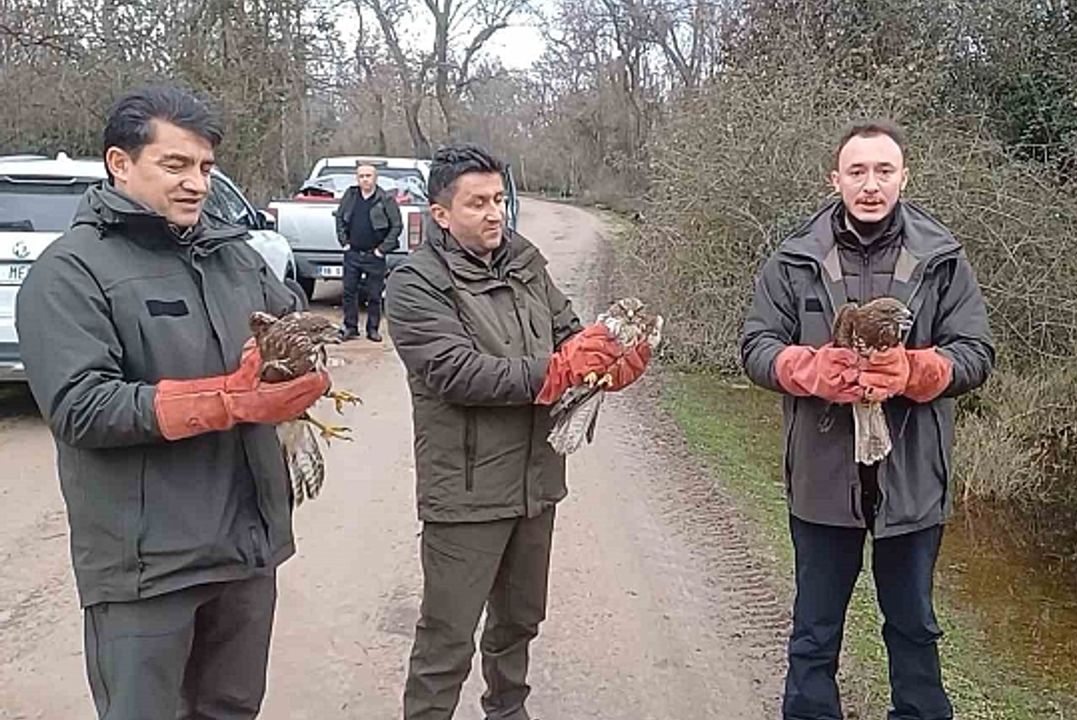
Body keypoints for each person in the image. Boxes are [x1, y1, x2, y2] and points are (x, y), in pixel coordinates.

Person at [15, 86, 329, 720]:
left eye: (206, 168)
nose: (196, 184)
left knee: (231, 709)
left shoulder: (232, 255)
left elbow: (288, 326)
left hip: (244, 546)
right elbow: (81, 406)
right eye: (175, 165)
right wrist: (227, 401)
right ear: (119, 163)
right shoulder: (72, 271)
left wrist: (298, 369)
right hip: (145, 565)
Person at [385, 143, 652, 720]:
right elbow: (453, 371)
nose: (493, 213)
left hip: (536, 481)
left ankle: (508, 711)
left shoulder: (525, 262)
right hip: (467, 489)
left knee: (518, 622)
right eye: (477, 203)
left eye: (499, 199)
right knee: (447, 637)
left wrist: (609, 364)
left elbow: (570, 333)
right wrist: (556, 370)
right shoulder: (415, 283)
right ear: (441, 214)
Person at [740, 120, 995, 720]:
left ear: (905, 176)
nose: (871, 184)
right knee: (814, 633)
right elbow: (755, 345)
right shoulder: (794, 257)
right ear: (836, 179)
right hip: (823, 477)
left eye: (884, 171)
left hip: (912, 478)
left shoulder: (943, 258)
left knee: (913, 629)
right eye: (858, 171)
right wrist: (810, 370)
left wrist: (917, 372)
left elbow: (976, 353)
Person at [335, 161, 403, 342]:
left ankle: (373, 329)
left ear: (375, 178)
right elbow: (340, 218)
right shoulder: (350, 196)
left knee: (374, 295)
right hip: (353, 253)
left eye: (368, 176)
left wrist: (382, 249)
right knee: (349, 292)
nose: (365, 180)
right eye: (361, 176)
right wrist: (344, 243)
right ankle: (350, 327)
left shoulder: (385, 199)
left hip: (374, 255)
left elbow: (397, 226)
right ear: (357, 178)